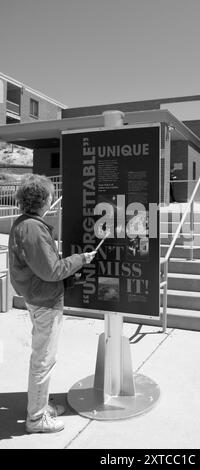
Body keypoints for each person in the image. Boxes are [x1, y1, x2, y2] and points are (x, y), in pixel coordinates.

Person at [8, 174, 97, 434]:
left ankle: (40, 407)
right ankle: (36, 419)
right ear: (43, 199)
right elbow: (52, 271)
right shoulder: (33, 228)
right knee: (44, 360)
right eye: (49, 194)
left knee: (44, 358)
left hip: (38, 297)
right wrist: (80, 259)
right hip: (45, 300)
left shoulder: (25, 224)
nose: (51, 198)